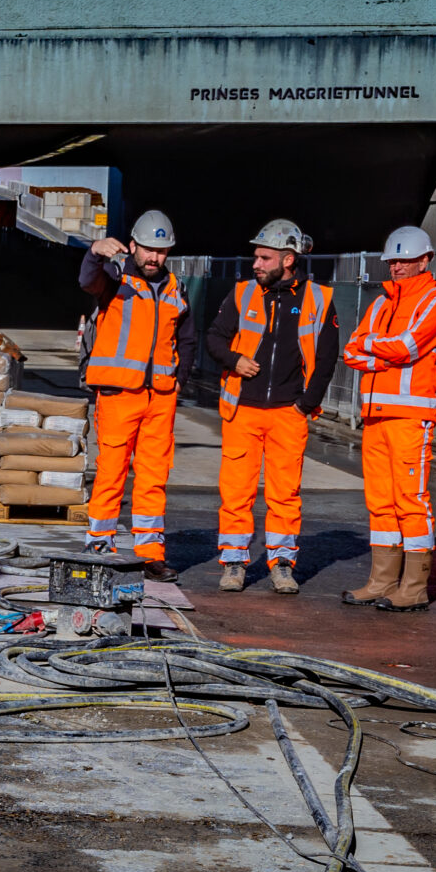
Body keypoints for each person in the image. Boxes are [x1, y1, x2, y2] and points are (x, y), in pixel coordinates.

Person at [205, 219, 338, 593]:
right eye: (256, 257)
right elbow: (214, 338)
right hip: (241, 411)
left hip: (288, 414)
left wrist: (305, 405)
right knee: (236, 491)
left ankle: (281, 564)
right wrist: (234, 360)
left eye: (264, 257)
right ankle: (234, 564)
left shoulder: (319, 299)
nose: (256, 264)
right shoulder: (242, 293)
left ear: (289, 259)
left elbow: (327, 359)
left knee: (285, 493)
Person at [339, 226, 436, 611]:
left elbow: (407, 346)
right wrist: (380, 350)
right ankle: (382, 581)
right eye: (393, 261)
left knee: (411, 500)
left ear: (425, 260)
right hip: (375, 417)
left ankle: (414, 587)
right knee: (380, 501)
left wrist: (372, 347)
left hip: (410, 416)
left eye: (405, 260)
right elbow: (351, 351)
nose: (397, 267)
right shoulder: (381, 303)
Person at [80, 209, 189, 573]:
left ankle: (150, 554)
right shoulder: (114, 278)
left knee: (154, 476)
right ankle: (100, 545)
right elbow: (87, 281)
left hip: (160, 397)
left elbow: (186, 338)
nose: (154, 257)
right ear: (132, 247)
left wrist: (179, 379)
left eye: (161, 251)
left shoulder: (176, 289)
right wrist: (95, 251)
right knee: (111, 471)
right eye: (147, 250)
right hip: (118, 396)